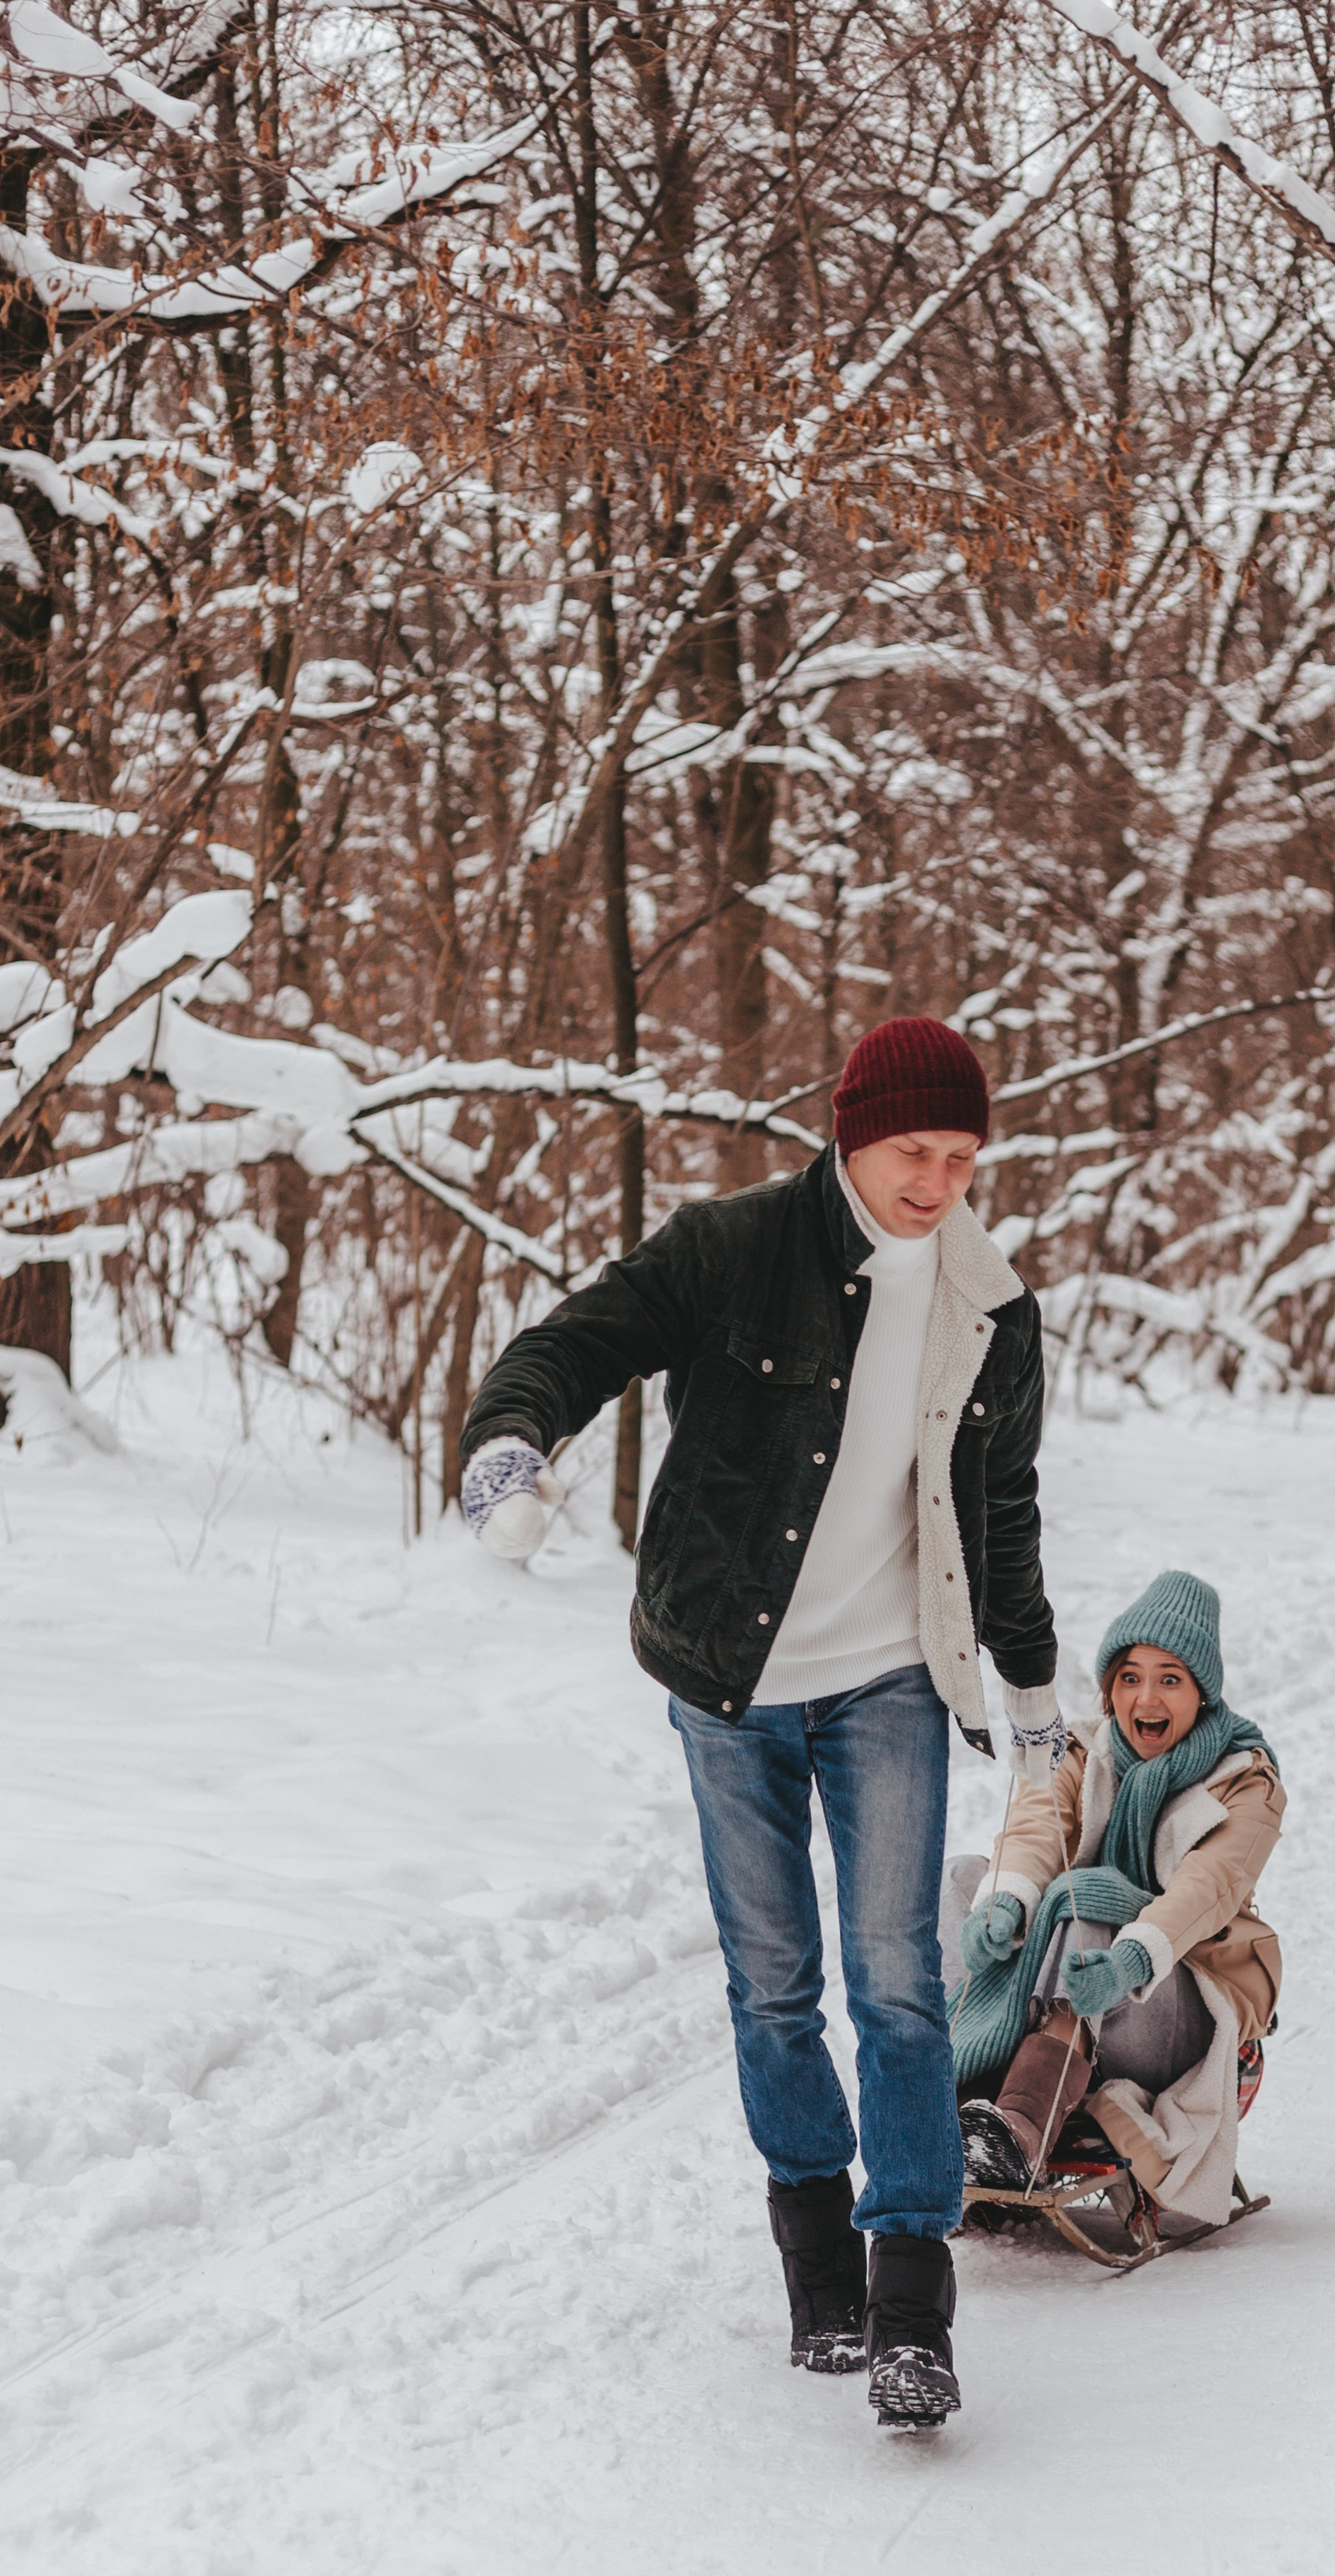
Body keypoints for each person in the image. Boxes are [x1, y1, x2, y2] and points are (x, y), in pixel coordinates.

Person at [457, 1017, 1066, 2432]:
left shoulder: (992, 1304)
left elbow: (1005, 1517)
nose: (940, 1184)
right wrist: (507, 1445)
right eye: (917, 1153)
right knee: (774, 1984)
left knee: (898, 1985)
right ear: (851, 1134)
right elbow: (576, 1343)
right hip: (727, 1678)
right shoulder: (731, 1250)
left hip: (890, 1682)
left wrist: (1032, 1690)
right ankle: (819, 2275)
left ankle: (913, 2300)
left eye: (965, 1158)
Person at [947, 1570, 1284, 2233]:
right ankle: (948, 2094)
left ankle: (1020, 2130)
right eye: (1129, 1677)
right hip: (1070, 1972)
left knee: (1089, 1899)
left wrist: (1133, 1956)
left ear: (1201, 1692)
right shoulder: (1082, 1750)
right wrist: (1006, 1901)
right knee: (962, 1877)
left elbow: (1206, 1888)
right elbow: (1037, 1827)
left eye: (1169, 1678)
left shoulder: (1246, 1781)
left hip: (1179, 2005)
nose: (1146, 1696)